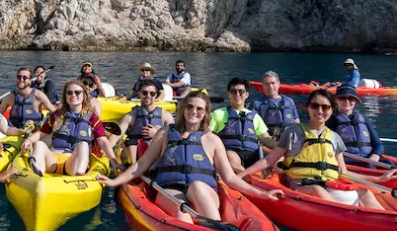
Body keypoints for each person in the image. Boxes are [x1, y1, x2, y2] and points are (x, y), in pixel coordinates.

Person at [98, 90, 283, 223]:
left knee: (197, 186)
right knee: (181, 213)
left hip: (204, 191)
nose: (194, 111)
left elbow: (230, 178)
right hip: (170, 190)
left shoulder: (212, 139)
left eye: (199, 109)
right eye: (190, 106)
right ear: (183, 108)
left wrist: (263, 194)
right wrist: (114, 182)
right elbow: (141, 165)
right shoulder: (165, 133)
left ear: (205, 113)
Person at [242, 88, 395, 209]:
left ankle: (388, 225)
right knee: (317, 189)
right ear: (308, 108)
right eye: (315, 106)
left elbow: (344, 172)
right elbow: (269, 159)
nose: (320, 111)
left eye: (325, 107)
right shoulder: (293, 132)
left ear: (332, 109)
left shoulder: (335, 137)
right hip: (301, 187)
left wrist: (379, 179)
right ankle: (345, 218)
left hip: (328, 187)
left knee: (365, 193)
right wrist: (241, 175)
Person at [22, 80, 119, 176]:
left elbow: (103, 142)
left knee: (83, 145)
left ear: (84, 96)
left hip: (73, 162)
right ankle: (37, 177)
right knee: (39, 144)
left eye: (77, 92)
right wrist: (29, 140)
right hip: (54, 160)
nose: (73, 95)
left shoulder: (92, 118)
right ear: (65, 96)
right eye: (69, 92)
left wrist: (114, 161)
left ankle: (78, 176)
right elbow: (42, 133)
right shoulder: (57, 115)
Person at [209, 78, 278, 173]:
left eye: (241, 91)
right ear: (229, 94)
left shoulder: (255, 116)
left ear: (246, 95)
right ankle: (246, 175)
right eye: (233, 92)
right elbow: (208, 135)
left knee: (277, 157)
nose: (237, 94)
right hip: (231, 152)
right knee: (231, 157)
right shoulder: (218, 114)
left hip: (253, 154)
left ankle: (252, 175)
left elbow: (266, 139)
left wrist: (281, 147)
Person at [115, 80, 168, 164]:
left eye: (152, 93)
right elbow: (116, 136)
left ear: (156, 95)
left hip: (154, 156)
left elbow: (175, 137)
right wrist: (104, 149)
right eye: (145, 93)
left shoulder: (165, 115)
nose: (148, 96)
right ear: (139, 94)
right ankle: (133, 166)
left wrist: (157, 134)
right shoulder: (131, 116)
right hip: (134, 155)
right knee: (130, 146)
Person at [327, 85, 384, 162]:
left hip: (368, 160)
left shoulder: (364, 119)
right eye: (342, 98)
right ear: (336, 100)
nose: (347, 101)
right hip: (344, 161)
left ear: (355, 101)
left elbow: (378, 145)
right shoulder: (330, 121)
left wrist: (375, 156)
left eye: (351, 98)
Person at [252, 71, 300, 142]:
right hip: (268, 141)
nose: (270, 86)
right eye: (267, 84)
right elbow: (253, 125)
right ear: (263, 86)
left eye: (273, 83)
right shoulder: (257, 103)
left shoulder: (289, 101)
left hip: (289, 139)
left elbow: (296, 121)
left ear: (278, 84)